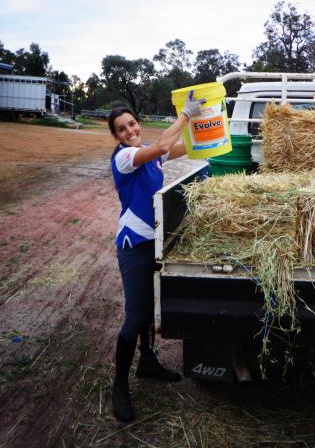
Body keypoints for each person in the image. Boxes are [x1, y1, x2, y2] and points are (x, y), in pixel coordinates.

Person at [107, 92, 204, 422]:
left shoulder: (149, 156)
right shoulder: (124, 157)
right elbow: (163, 147)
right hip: (134, 246)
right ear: (116, 136)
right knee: (135, 317)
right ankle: (119, 387)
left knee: (151, 310)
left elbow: (184, 148)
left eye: (132, 124)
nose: (129, 130)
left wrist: (210, 130)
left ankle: (147, 363)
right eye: (121, 128)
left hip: (155, 242)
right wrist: (186, 115)